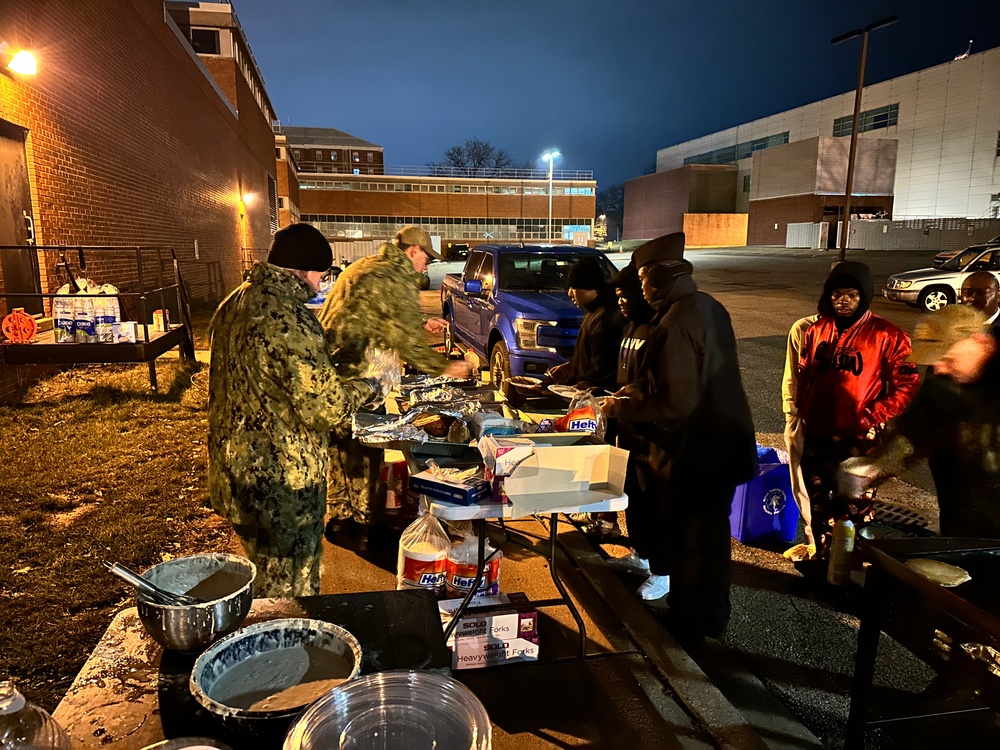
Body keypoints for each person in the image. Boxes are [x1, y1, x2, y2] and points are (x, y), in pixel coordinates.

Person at [207, 223, 382, 597]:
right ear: (302, 270)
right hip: (284, 483)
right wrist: (371, 385)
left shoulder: (233, 303)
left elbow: (261, 377)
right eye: (321, 274)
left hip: (234, 473)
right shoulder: (289, 317)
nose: (321, 284)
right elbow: (326, 409)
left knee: (258, 581)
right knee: (291, 596)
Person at [603, 232, 757, 639]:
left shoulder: (673, 324)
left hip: (696, 455)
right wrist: (636, 391)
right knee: (711, 540)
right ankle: (710, 616)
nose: (639, 289)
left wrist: (621, 407)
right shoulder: (707, 307)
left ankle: (693, 621)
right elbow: (693, 380)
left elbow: (676, 403)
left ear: (659, 277)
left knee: (692, 544)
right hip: (724, 447)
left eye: (641, 280)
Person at [317, 225, 472, 547]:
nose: (426, 266)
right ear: (412, 251)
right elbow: (407, 341)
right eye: (426, 259)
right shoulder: (396, 276)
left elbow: (377, 313)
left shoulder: (367, 267)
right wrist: (446, 366)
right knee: (364, 450)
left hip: (331, 372)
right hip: (358, 374)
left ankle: (338, 518)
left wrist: (419, 320)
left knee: (340, 449)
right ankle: (364, 528)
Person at [838, 309, 1000, 538]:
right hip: (961, 522)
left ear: (981, 343)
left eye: (947, 357)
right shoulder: (942, 385)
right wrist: (874, 467)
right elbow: (913, 434)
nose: (939, 367)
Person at [795, 261, 919, 557]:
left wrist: (869, 416)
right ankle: (824, 558)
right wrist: (802, 409)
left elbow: (907, 385)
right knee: (818, 501)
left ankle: (853, 565)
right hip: (817, 433)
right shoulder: (816, 330)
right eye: (837, 294)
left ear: (864, 296)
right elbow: (804, 373)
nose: (844, 301)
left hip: (858, 439)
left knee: (853, 506)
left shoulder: (888, 336)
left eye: (852, 294)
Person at [603, 262, 665, 597]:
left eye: (626, 294)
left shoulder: (658, 329)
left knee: (657, 504)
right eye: (618, 296)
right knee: (635, 500)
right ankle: (642, 555)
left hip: (651, 435)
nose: (622, 301)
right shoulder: (630, 328)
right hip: (627, 427)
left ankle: (663, 570)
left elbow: (660, 388)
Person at [547, 256, 625, 393]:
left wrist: (573, 382)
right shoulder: (593, 311)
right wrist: (570, 367)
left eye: (574, 288)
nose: (570, 294)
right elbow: (587, 356)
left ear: (588, 287)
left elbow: (602, 370)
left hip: (598, 398)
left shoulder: (605, 318)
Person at [781, 314, 818, 559]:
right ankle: (814, 542)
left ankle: (842, 550)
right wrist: (791, 413)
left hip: (848, 423)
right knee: (803, 485)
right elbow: (791, 374)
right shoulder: (804, 328)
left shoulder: (876, 332)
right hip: (805, 418)